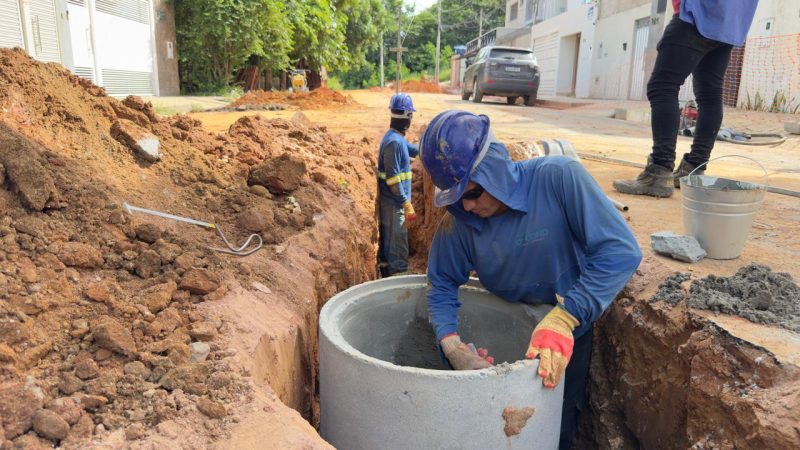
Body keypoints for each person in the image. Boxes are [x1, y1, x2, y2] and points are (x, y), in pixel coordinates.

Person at [419, 110, 642, 449]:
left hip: (567, 329)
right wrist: (452, 346)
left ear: (493, 171)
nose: (467, 206)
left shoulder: (558, 179)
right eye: (456, 197)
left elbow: (621, 251)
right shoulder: (461, 222)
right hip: (510, 324)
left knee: (557, 424)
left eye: (473, 193)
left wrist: (566, 317)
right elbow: (441, 283)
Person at [614, 0, 760, 198]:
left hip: (697, 14)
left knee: (662, 86)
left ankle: (659, 172)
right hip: (729, 23)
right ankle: (693, 169)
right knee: (710, 95)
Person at [377, 93, 419, 277]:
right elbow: (393, 179)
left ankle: (387, 273)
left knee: (392, 242)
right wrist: (406, 203)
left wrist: (429, 149)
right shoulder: (393, 143)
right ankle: (398, 278)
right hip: (395, 203)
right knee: (397, 243)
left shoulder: (396, 138)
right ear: (408, 116)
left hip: (394, 202)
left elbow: (412, 150)